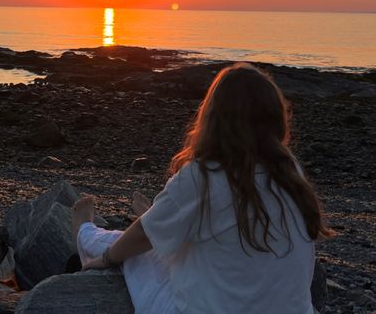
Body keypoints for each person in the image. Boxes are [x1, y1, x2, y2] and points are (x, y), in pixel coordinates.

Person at [72, 62, 332, 314]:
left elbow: (141, 236)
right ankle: (157, 218)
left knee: (141, 249)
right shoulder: (288, 170)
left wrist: (106, 260)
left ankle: (86, 232)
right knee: (170, 238)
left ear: (213, 116)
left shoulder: (204, 175)